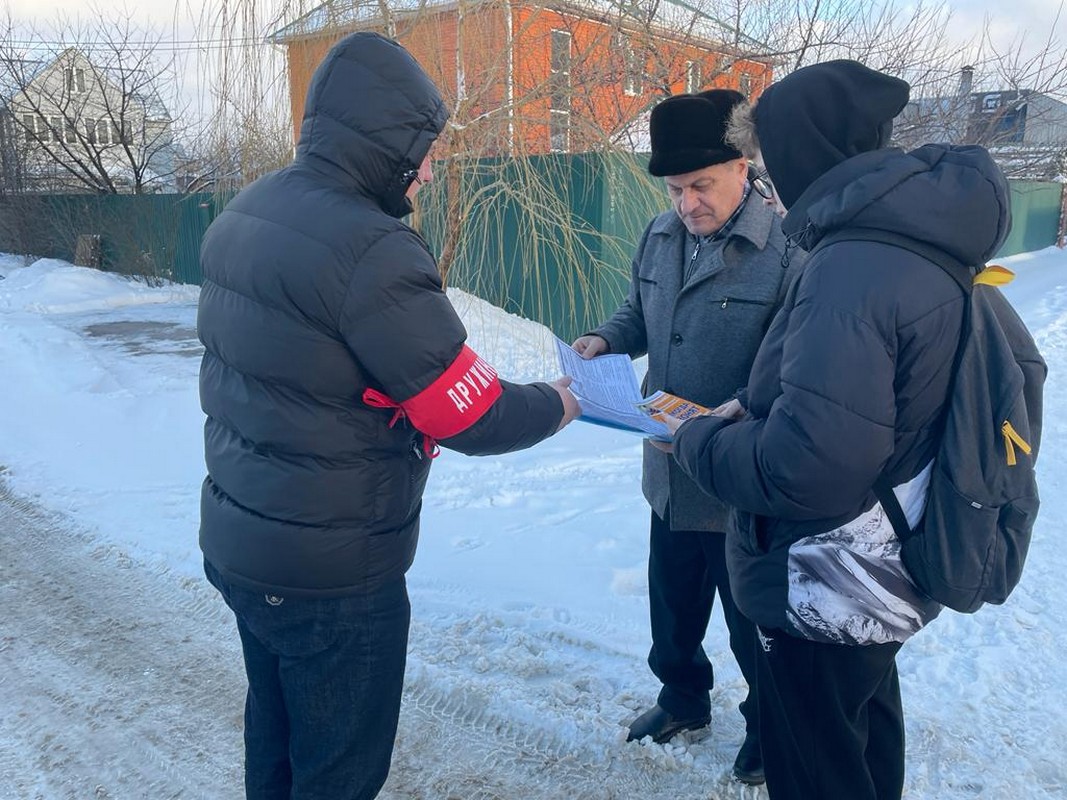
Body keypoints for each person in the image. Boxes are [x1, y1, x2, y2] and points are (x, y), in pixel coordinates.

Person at [196, 32, 579, 800]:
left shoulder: (248, 211)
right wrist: (565, 402)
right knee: (337, 771)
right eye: (425, 150)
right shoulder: (371, 250)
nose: (431, 170)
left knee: (274, 744)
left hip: (245, 546)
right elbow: (470, 414)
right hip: (333, 577)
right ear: (386, 143)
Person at [665, 60, 1013, 799]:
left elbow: (806, 465)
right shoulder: (906, 242)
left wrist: (698, 440)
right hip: (876, 566)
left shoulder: (848, 266)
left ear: (797, 152)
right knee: (860, 745)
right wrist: (754, 411)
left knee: (816, 770)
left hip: (824, 575)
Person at [572, 89, 798, 785]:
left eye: (701, 185)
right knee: (672, 614)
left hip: (737, 481)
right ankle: (681, 701)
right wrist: (604, 339)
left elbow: (791, 368)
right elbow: (637, 310)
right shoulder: (659, 235)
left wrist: (721, 422)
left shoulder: (787, 248)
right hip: (666, 473)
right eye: (675, 188)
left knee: (750, 623)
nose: (687, 203)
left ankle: (771, 727)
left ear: (742, 167)